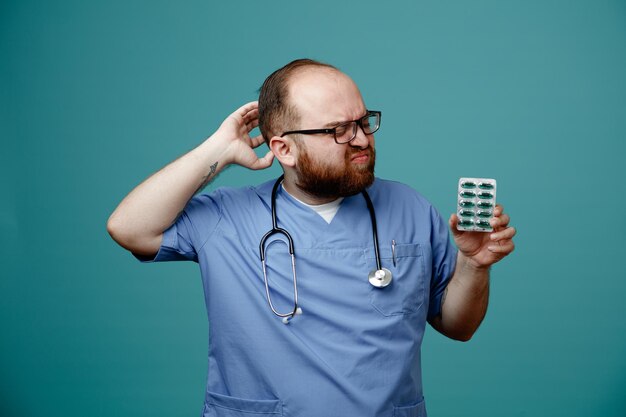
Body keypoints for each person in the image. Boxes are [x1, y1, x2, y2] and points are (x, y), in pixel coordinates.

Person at [107, 59, 516, 417]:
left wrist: (474, 265)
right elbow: (129, 228)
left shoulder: (410, 208)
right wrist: (218, 149)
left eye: (363, 121)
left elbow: (459, 326)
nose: (360, 139)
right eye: (338, 129)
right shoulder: (225, 217)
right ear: (283, 148)